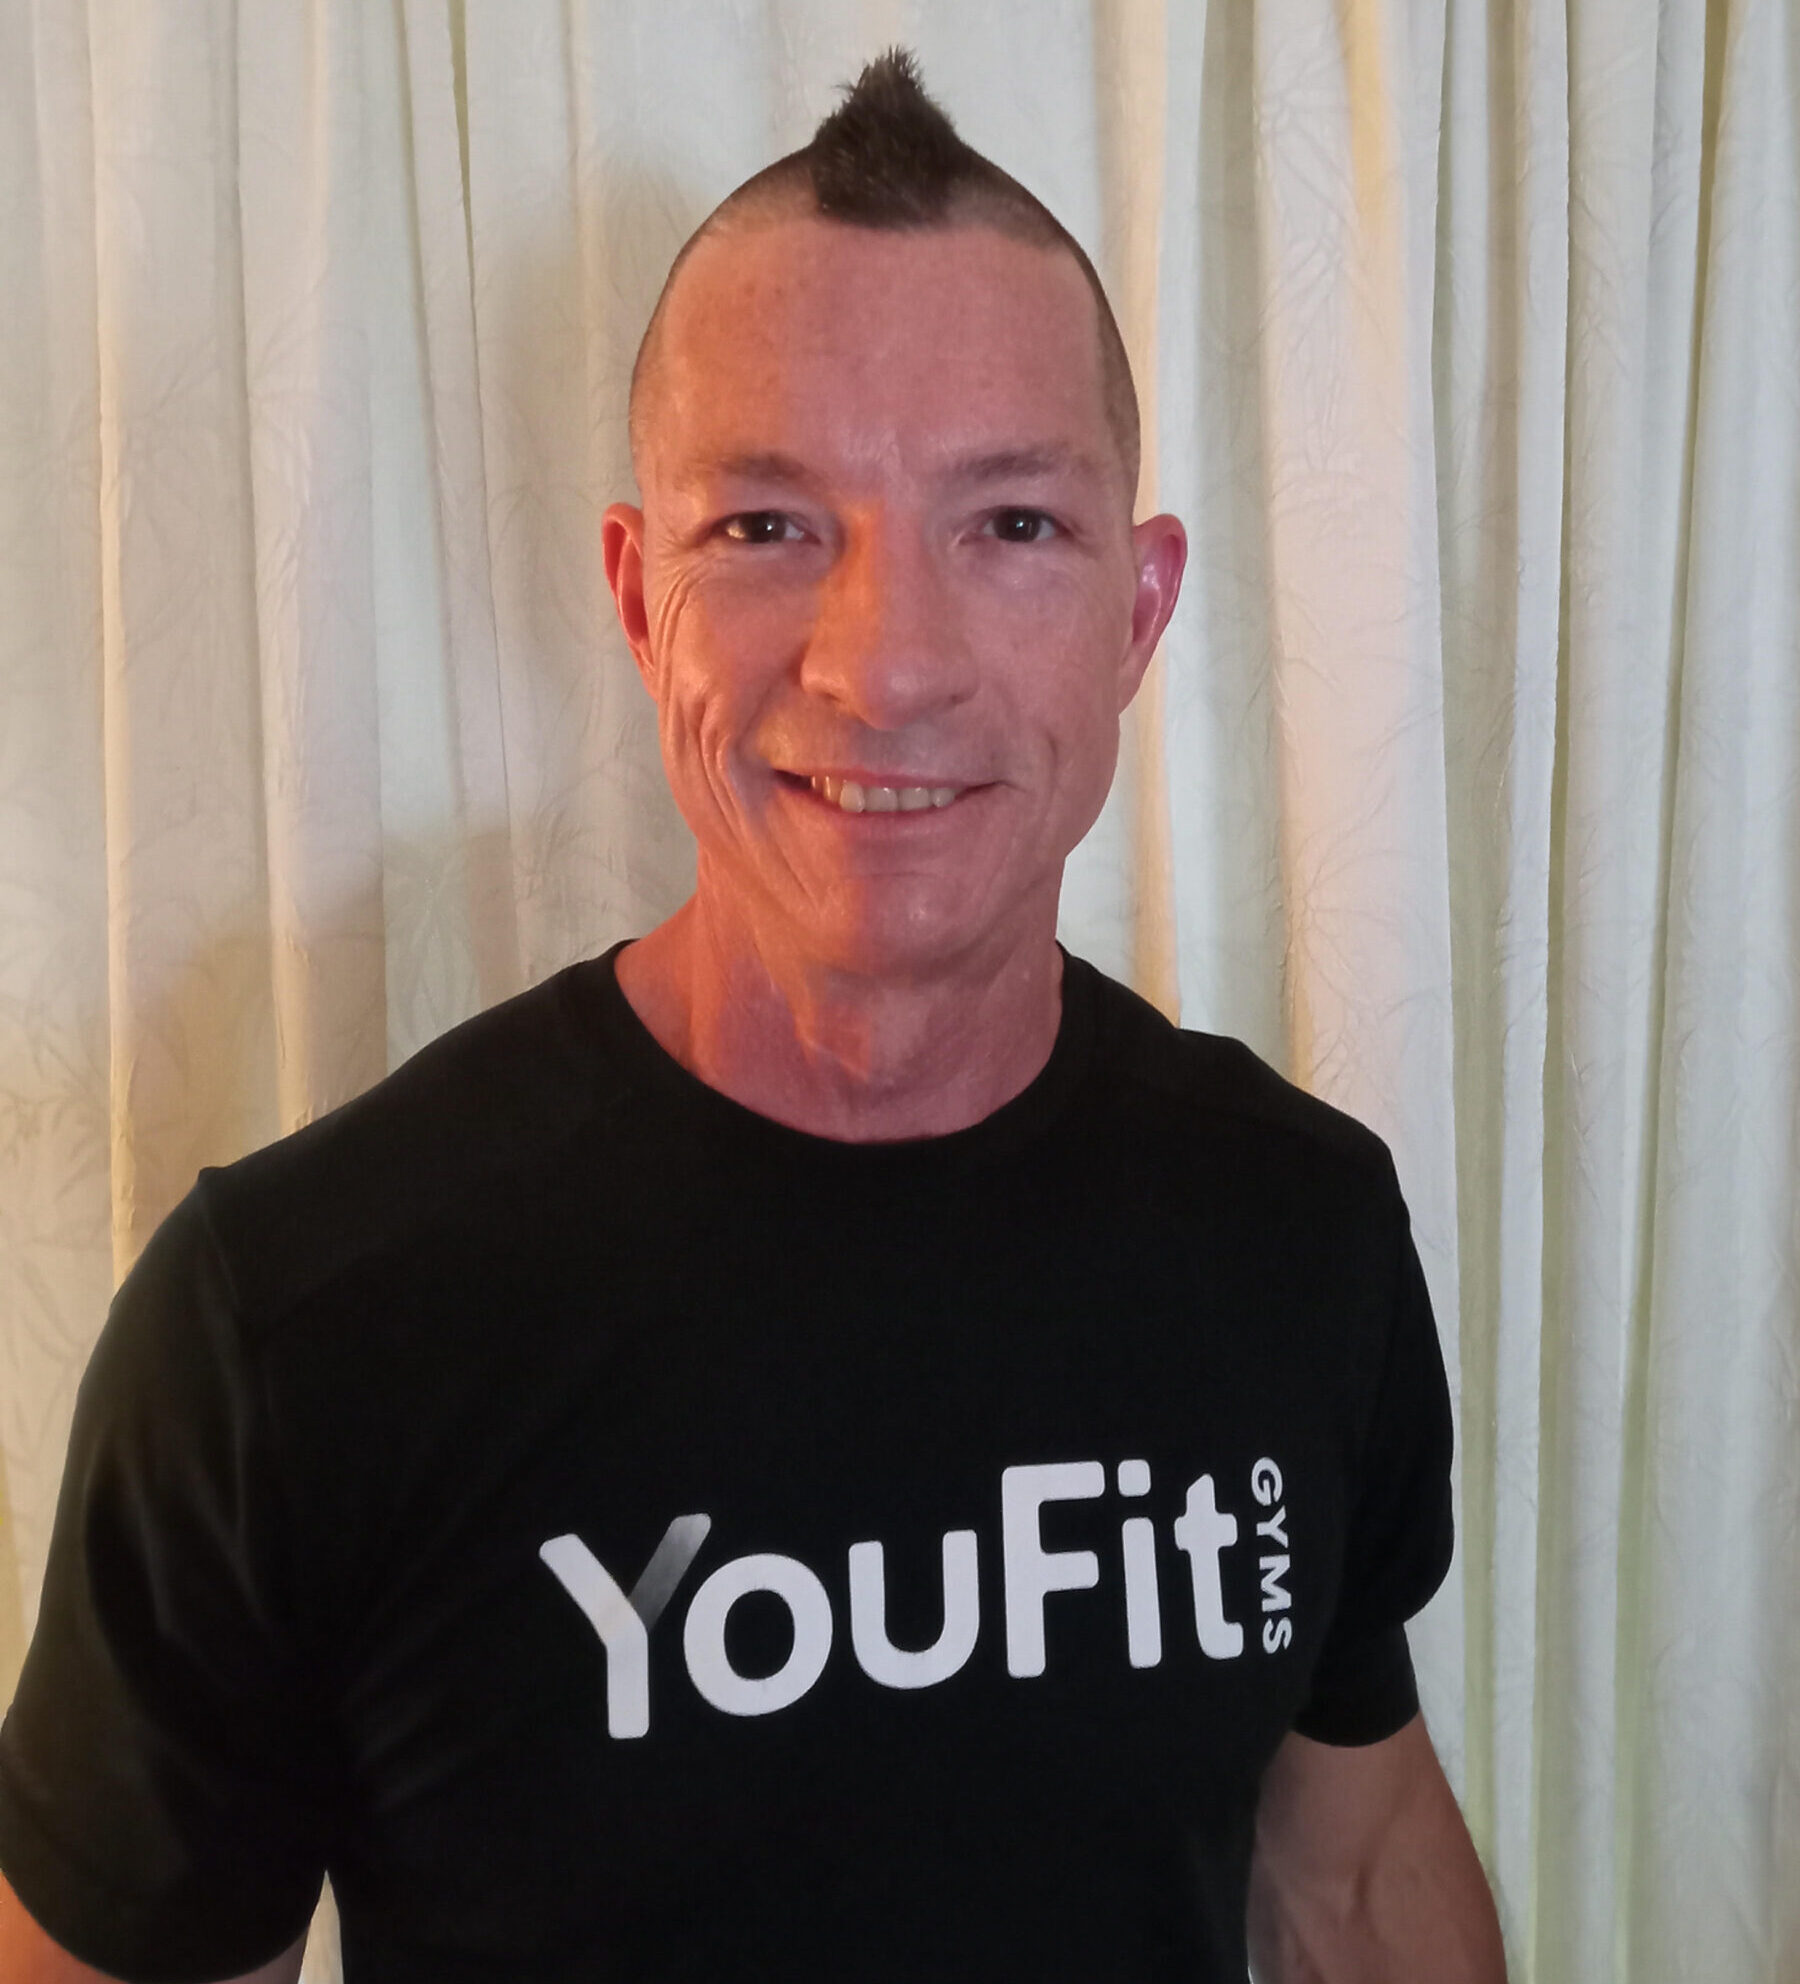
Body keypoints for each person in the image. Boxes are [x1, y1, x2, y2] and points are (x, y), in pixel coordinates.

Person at [0, 49, 1505, 1984]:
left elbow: (1355, 1874)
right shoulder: (292, 1329)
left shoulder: (1299, 1233)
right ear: (639, 599)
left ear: (1141, 614)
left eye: (1014, 525)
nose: (886, 667)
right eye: (767, 526)